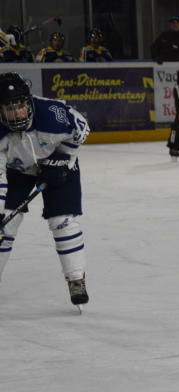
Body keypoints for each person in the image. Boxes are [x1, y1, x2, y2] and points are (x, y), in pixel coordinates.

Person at [0, 72, 91, 309]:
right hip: (17, 170)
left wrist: (62, 159)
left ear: (29, 102)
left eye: (20, 106)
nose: (17, 113)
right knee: (5, 225)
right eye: (10, 109)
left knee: (62, 221)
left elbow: (81, 130)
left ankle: (76, 279)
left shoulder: (53, 116)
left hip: (58, 164)